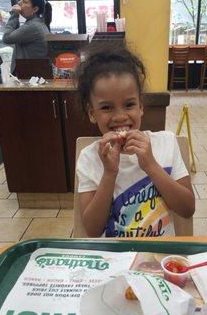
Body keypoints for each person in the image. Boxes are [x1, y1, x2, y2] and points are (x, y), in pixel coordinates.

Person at [76, 43, 195, 238]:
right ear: (92, 113)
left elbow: (187, 209)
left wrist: (151, 166)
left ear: (141, 106)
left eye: (129, 104)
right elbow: (92, 229)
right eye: (106, 108)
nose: (120, 116)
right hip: (114, 260)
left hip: (159, 258)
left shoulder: (166, 143)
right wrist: (109, 173)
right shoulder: (89, 158)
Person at [2, 0, 52, 73]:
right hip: (30, 74)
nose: (19, 3)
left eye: (24, 2)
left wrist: (14, 14)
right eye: (20, 0)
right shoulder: (37, 23)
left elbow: (6, 38)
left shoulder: (33, 26)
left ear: (35, 9)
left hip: (28, 76)